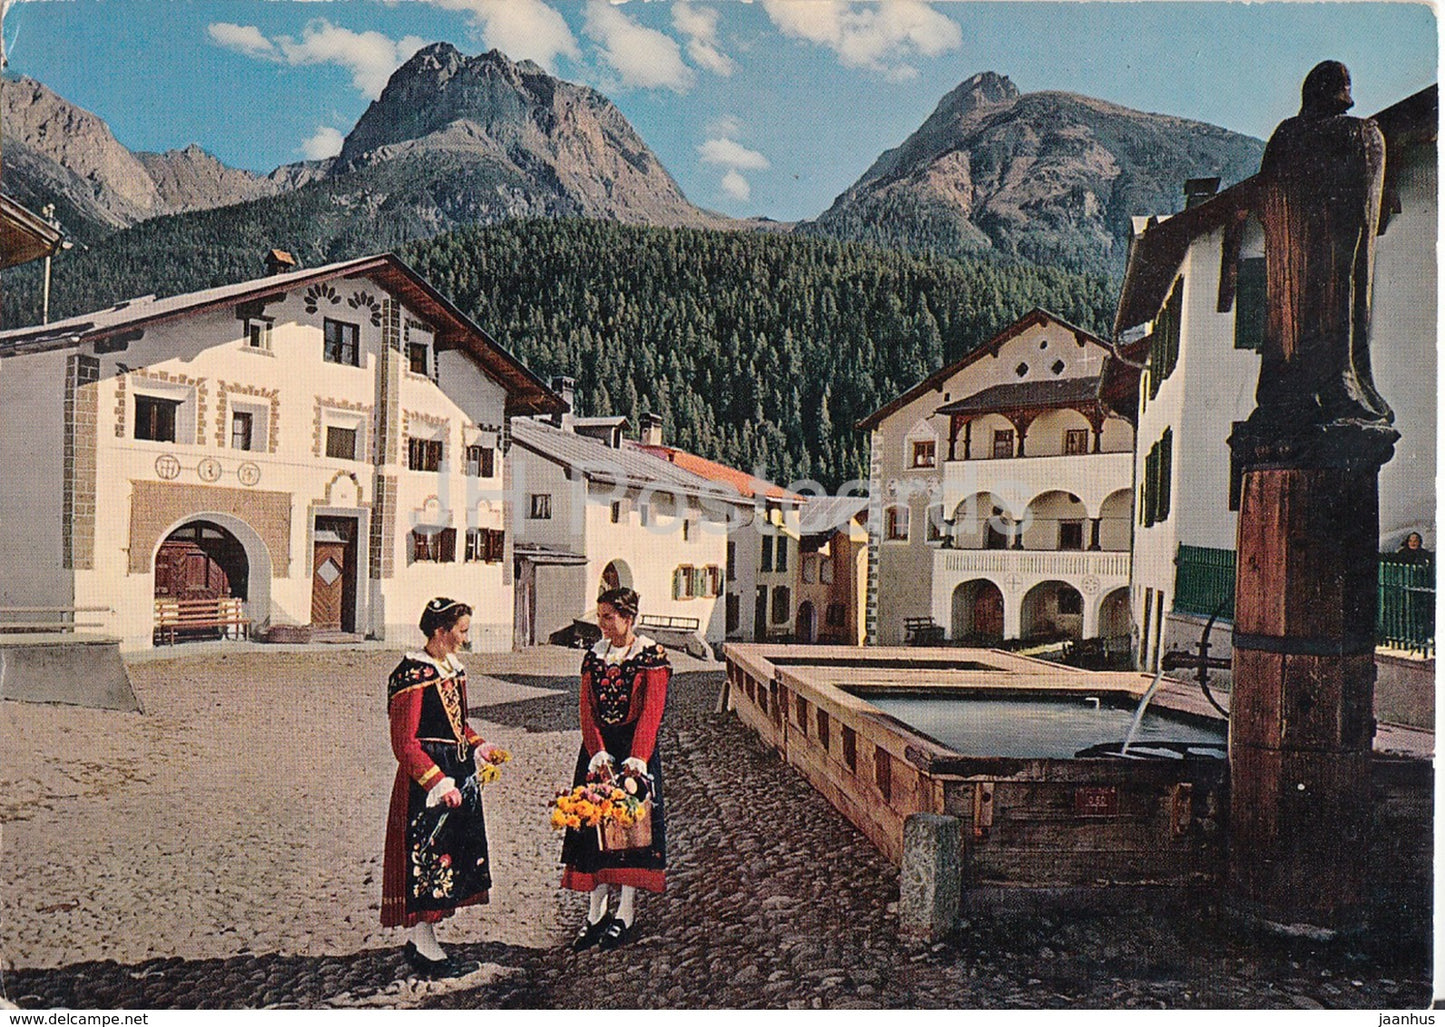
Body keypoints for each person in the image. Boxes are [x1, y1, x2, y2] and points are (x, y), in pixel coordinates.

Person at [381, 597, 503, 978]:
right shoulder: (412, 674)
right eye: (462, 631)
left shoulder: (453, 670)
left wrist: (481, 745)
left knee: (451, 857)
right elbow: (405, 742)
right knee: (429, 860)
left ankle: (422, 941)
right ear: (440, 631)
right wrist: (436, 781)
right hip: (428, 782)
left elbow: (457, 726)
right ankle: (424, 942)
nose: (466, 638)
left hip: (457, 773)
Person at [560, 586, 669, 951]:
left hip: (634, 755)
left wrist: (636, 760)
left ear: (628, 617)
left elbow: (652, 712)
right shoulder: (593, 657)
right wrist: (597, 752)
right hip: (599, 754)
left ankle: (625, 912)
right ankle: (595, 913)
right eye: (600, 616)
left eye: (609, 617)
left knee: (630, 835)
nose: (602, 624)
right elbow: (586, 710)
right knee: (593, 832)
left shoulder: (651, 656)